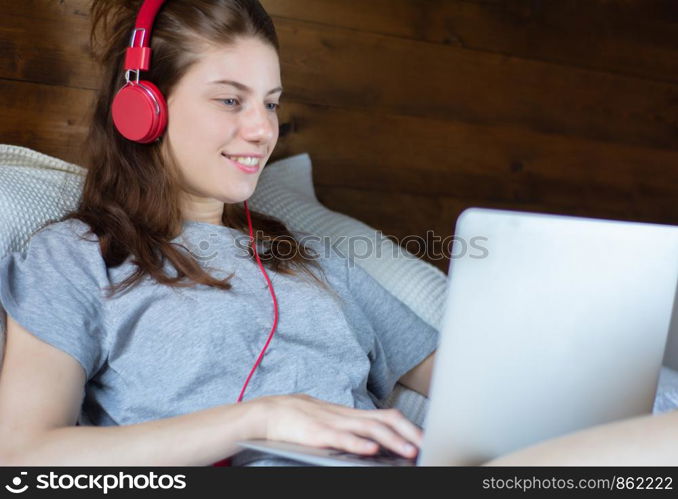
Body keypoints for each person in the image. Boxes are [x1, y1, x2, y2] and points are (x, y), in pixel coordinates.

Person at [0, 0, 438, 466]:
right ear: (142, 109)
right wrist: (260, 420)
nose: (263, 130)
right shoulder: (75, 257)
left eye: (270, 103)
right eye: (230, 100)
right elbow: (24, 454)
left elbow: (463, 379)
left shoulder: (309, 256)